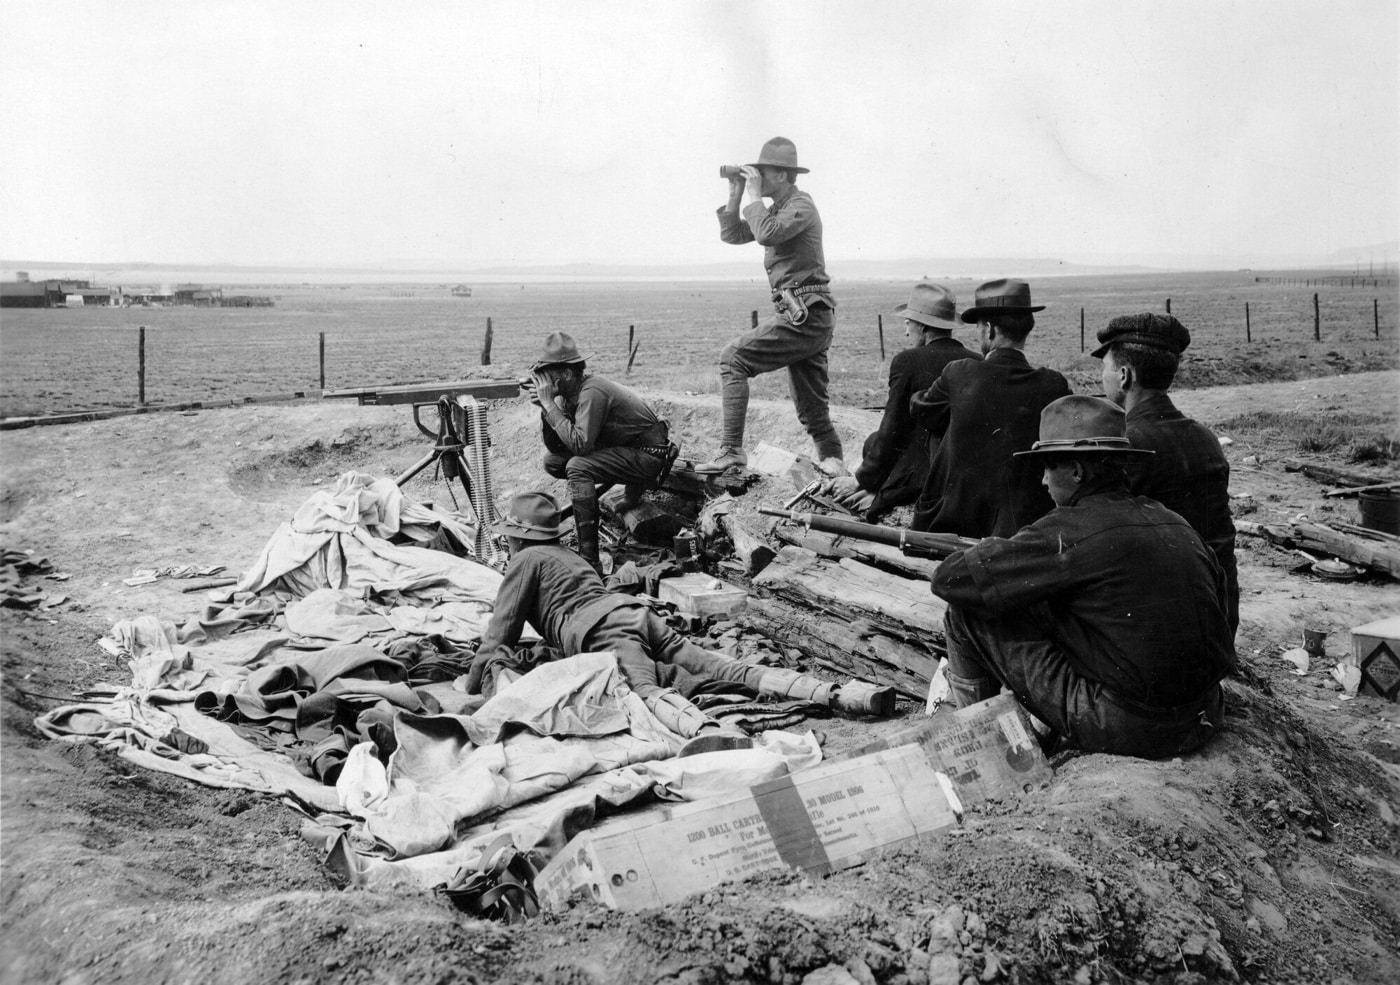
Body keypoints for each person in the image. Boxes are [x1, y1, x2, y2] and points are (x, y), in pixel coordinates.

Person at [930, 395, 1236, 758]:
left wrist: (998, 551)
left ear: (1076, 471)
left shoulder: (1069, 530)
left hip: (1129, 726)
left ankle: (973, 744)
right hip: (1205, 713)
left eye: (1048, 467)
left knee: (968, 611)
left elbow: (949, 579)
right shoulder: (1173, 521)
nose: (1043, 481)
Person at [466, 492, 897, 738]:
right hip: (635, 616)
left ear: (519, 538)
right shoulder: (569, 555)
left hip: (604, 631)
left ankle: (711, 736)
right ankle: (840, 693)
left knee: (644, 693)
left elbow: (500, 631)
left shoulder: (524, 562)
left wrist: (474, 681)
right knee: (721, 665)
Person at [697, 137, 845, 476]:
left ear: (781, 175)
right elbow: (734, 235)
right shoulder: (776, 209)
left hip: (807, 314)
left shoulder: (800, 205)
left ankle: (731, 451)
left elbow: (764, 233)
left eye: (762, 172)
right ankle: (836, 474)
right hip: (803, 315)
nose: (757, 178)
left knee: (732, 359)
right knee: (813, 414)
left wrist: (752, 196)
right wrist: (736, 193)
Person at [1092, 313, 1239, 634]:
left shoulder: (1124, 445)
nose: (1101, 376)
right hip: (1219, 618)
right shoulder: (1205, 437)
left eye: (1103, 366)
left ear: (1124, 376)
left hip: (1156, 626)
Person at [909, 278, 1071, 537]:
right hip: (1025, 526)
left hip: (957, 522)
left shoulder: (959, 373)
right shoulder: (1053, 384)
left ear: (989, 329)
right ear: (1027, 327)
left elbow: (922, 410)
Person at [821, 282, 982, 518]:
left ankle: (878, 495)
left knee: (873, 442)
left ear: (923, 325)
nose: (907, 332)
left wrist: (861, 480)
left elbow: (893, 428)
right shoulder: (976, 360)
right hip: (961, 470)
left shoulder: (908, 361)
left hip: (924, 473)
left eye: (909, 323)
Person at [527, 332, 674, 575]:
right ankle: (625, 500)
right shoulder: (568, 396)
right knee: (553, 462)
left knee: (578, 466)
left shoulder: (593, 390)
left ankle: (589, 558)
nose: (543, 384)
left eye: (547, 377)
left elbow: (582, 445)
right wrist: (547, 409)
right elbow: (557, 449)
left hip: (649, 456)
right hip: (627, 451)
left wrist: (550, 405)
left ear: (566, 374)